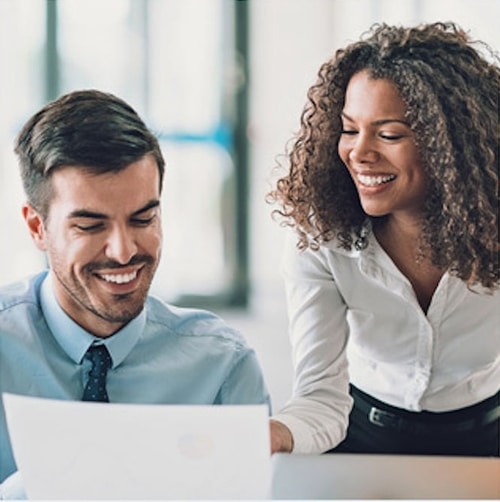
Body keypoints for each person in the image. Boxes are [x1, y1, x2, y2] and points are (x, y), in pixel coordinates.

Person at [0, 90, 270, 498]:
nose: (124, 251)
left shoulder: (221, 366)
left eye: (143, 218)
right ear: (37, 228)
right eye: (90, 226)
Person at [268, 22, 499, 456]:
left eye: (389, 134)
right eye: (350, 129)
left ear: (451, 143)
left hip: (486, 435)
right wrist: (274, 435)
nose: (359, 153)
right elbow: (320, 400)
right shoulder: (321, 237)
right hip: (360, 431)